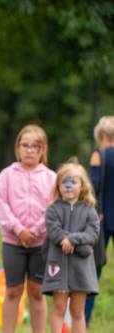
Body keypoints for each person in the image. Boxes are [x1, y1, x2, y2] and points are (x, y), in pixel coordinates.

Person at [0, 124, 56, 333]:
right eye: (25, 145)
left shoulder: (51, 177)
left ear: (43, 150)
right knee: (13, 291)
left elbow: (53, 208)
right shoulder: (6, 175)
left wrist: (36, 231)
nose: (30, 149)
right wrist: (19, 230)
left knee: (37, 291)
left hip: (40, 243)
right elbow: (1, 205)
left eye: (35, 146)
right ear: (17, 148)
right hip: (13, 242)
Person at [42, 161, 99, 333]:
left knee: (78, 311)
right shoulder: (52, 209)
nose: (68, 186)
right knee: (59, 309)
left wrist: (73, 239)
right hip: (58, 266)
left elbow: (92, 234)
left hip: (81, 269)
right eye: (64, 183)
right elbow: (53, 230)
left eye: (73, 182)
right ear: (58, 186)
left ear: (82, 186)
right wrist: (64, 239)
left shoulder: (90, 211)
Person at [85, 116, 114, 325]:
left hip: (102, 220)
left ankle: (82, 321)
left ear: (101, 135)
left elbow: (92, 189)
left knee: (91, 273)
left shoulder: (98, 155)